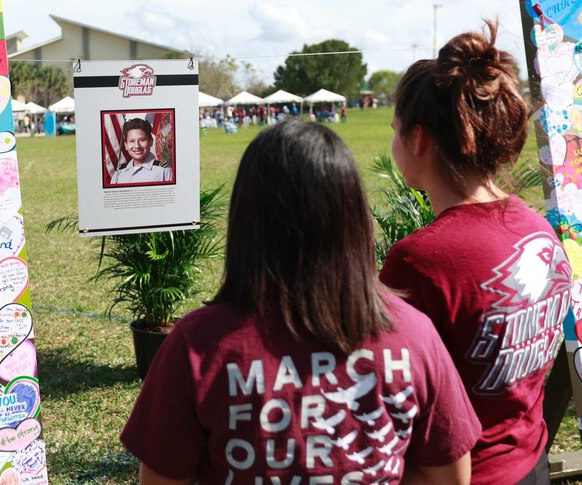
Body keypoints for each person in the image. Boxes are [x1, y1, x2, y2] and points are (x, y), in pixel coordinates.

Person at [121, 121, 480, 484]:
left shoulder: (197, 345)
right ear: (353, 216)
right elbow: (450, 478)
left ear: (246, 219)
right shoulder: (414, 336)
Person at [379, 21, 570, 485]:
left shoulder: (418, 261)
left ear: (419, 139)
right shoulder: (539, 229)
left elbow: (388, 399)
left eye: (395, 129)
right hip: (530, 461)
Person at [109, 118, 172, 185]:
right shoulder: (118, 174)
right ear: (126, 145)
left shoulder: (164, 172)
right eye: (132, 141)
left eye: (142, 140)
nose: (137, 146)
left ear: (151, 142)